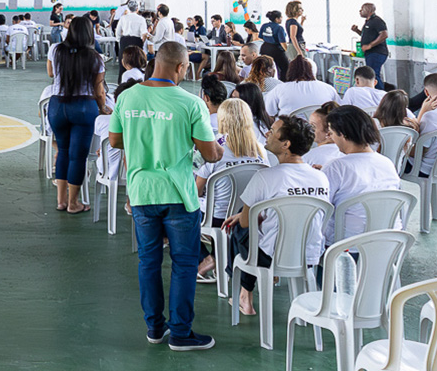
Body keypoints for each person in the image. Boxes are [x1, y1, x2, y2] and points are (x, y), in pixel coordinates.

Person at [108, 40, 221, 351]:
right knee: (184, 264)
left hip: (142, 191)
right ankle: (181, 333)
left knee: (149, 262)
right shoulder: (190, 103)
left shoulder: (128, 97)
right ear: (181, 67)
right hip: (179, 194)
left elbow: (115, 140)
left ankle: (155, 328)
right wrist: (218, 147)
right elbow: (210, 154)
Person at [223, 114, 328, 317]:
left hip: (271, 256)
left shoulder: (265, 177)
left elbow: (245, 222)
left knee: (238, 225)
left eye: (273, 131)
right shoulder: (321, 177)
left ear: (285, 144)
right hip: (309, 254)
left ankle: (245, 293)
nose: (267, 133)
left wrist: (257, 216)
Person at [194, 98, 267, 282]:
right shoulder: (261, 151)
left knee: (179, 211)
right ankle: (219, 259)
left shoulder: (214, 148)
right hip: (249, 217)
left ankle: (208, 258)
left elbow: (195, 191)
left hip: (218, 218)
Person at [46, 17, 109, 214]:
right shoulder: (95, 58)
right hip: (83, 106)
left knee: (63, 151)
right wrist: (103, 108)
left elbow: (50, 74)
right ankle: (74, 204)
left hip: (57, 106)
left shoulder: (55, 50)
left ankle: (61, 201)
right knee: (77, 157)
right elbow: (99, 90)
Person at [322, 106, 402, 241]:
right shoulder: (386, 163)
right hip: (389, 244)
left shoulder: (336, 167)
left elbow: (320, 209)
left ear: (342, 134)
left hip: (347, 246)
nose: (329, 138)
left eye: (331, 133)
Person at [265, 58, 338, 118]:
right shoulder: (328, 88)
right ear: (312, 71)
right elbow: (338, 110)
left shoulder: (280, 89)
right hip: (320, 131)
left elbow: (269, 112)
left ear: (290, 71)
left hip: (289, 131)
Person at [350, 3, 389, 87]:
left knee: (373, 75)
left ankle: (380, 95)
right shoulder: (368, 22)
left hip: (377, 52)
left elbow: (384, 34)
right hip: (370, 53)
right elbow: (367, 36)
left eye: (362, 9)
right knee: (371, 74)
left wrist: (370, 45)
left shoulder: (377, 21)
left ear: (368, 10)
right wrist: (357, 31)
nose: (360, 11)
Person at [303, 102, 343, 169]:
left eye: (313, 126)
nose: (309, 129)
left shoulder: (307, 158)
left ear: (329, 133)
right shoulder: (349, 153)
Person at [258, 10, 289, 82]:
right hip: (276, 49)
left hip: (265, 48)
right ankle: (283, 83)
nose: (282, 19)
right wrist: (287, 51)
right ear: (277, 19)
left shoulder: (264, 25)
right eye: (281, 17)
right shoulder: (279, 28)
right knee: (284, 67)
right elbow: (282, 42)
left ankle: (264, 83)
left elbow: (260, 37)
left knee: (265, 68)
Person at [284, 0, 307, 65]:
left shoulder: (293, 21)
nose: (302, 10)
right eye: (300, 8)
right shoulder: (292, 21)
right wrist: (299, 52)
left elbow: (298, 32)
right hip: (296, 46)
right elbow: (293, 36)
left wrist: (302, 21)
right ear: (294, 10)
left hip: (297, 45)